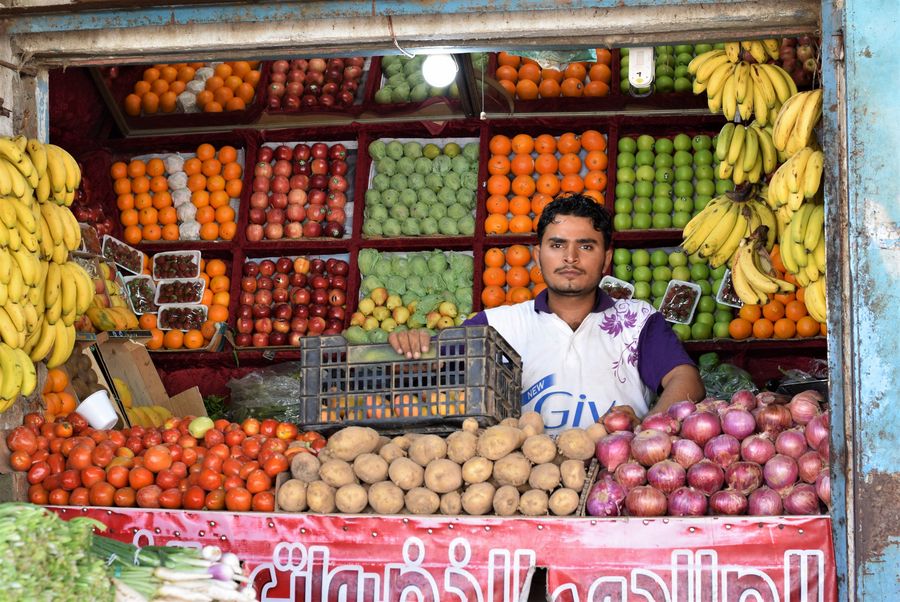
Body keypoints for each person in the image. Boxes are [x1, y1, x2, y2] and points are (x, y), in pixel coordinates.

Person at [389, 194, 705, 432]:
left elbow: (685, 378)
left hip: (616, 479)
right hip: (523, 482)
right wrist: (413, 347)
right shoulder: (496, 324)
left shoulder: (638, 320)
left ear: (606, 258)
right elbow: (431, 369)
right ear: (538, 256)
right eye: (557, 245)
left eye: (586, 246)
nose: (570, 257)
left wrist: (646, 429)